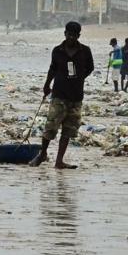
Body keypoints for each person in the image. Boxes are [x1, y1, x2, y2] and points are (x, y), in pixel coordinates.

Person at [30, 21, 94, 169]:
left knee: (69, 129)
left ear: (78, 36)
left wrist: (79, 78)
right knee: (50, 127)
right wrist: (47, 85)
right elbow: (52, 68)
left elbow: (90, 67)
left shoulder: (85, 51)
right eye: (68, 34)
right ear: (64, 33)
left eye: (74, 35)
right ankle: (43, 154)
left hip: (76, 96)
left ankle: (59, 161)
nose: (71, 37)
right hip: (59, 94)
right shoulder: (57, 50)